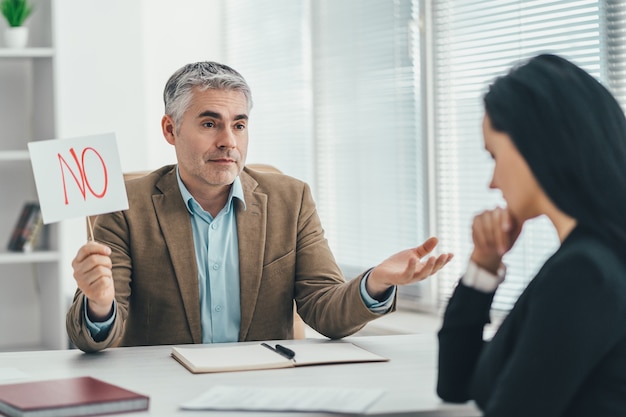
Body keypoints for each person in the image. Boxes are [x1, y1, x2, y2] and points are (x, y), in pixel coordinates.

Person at [66, 61, 453, 353]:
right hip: (166, 392)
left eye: (238, 125)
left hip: (265, 386)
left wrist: (376, 281)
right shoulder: (124, 207)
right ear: (171, 130)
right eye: (209, 124)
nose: (228, 142)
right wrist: (100, 305)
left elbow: (325, 310)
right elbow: (97, 339)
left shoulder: (290, 199)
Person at [436, 54, 626, 416]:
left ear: (533, 143)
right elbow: (458, 384)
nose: (492, 182)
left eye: (494, 156)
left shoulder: (584, 274)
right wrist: (483, 265)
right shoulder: (591, 256)